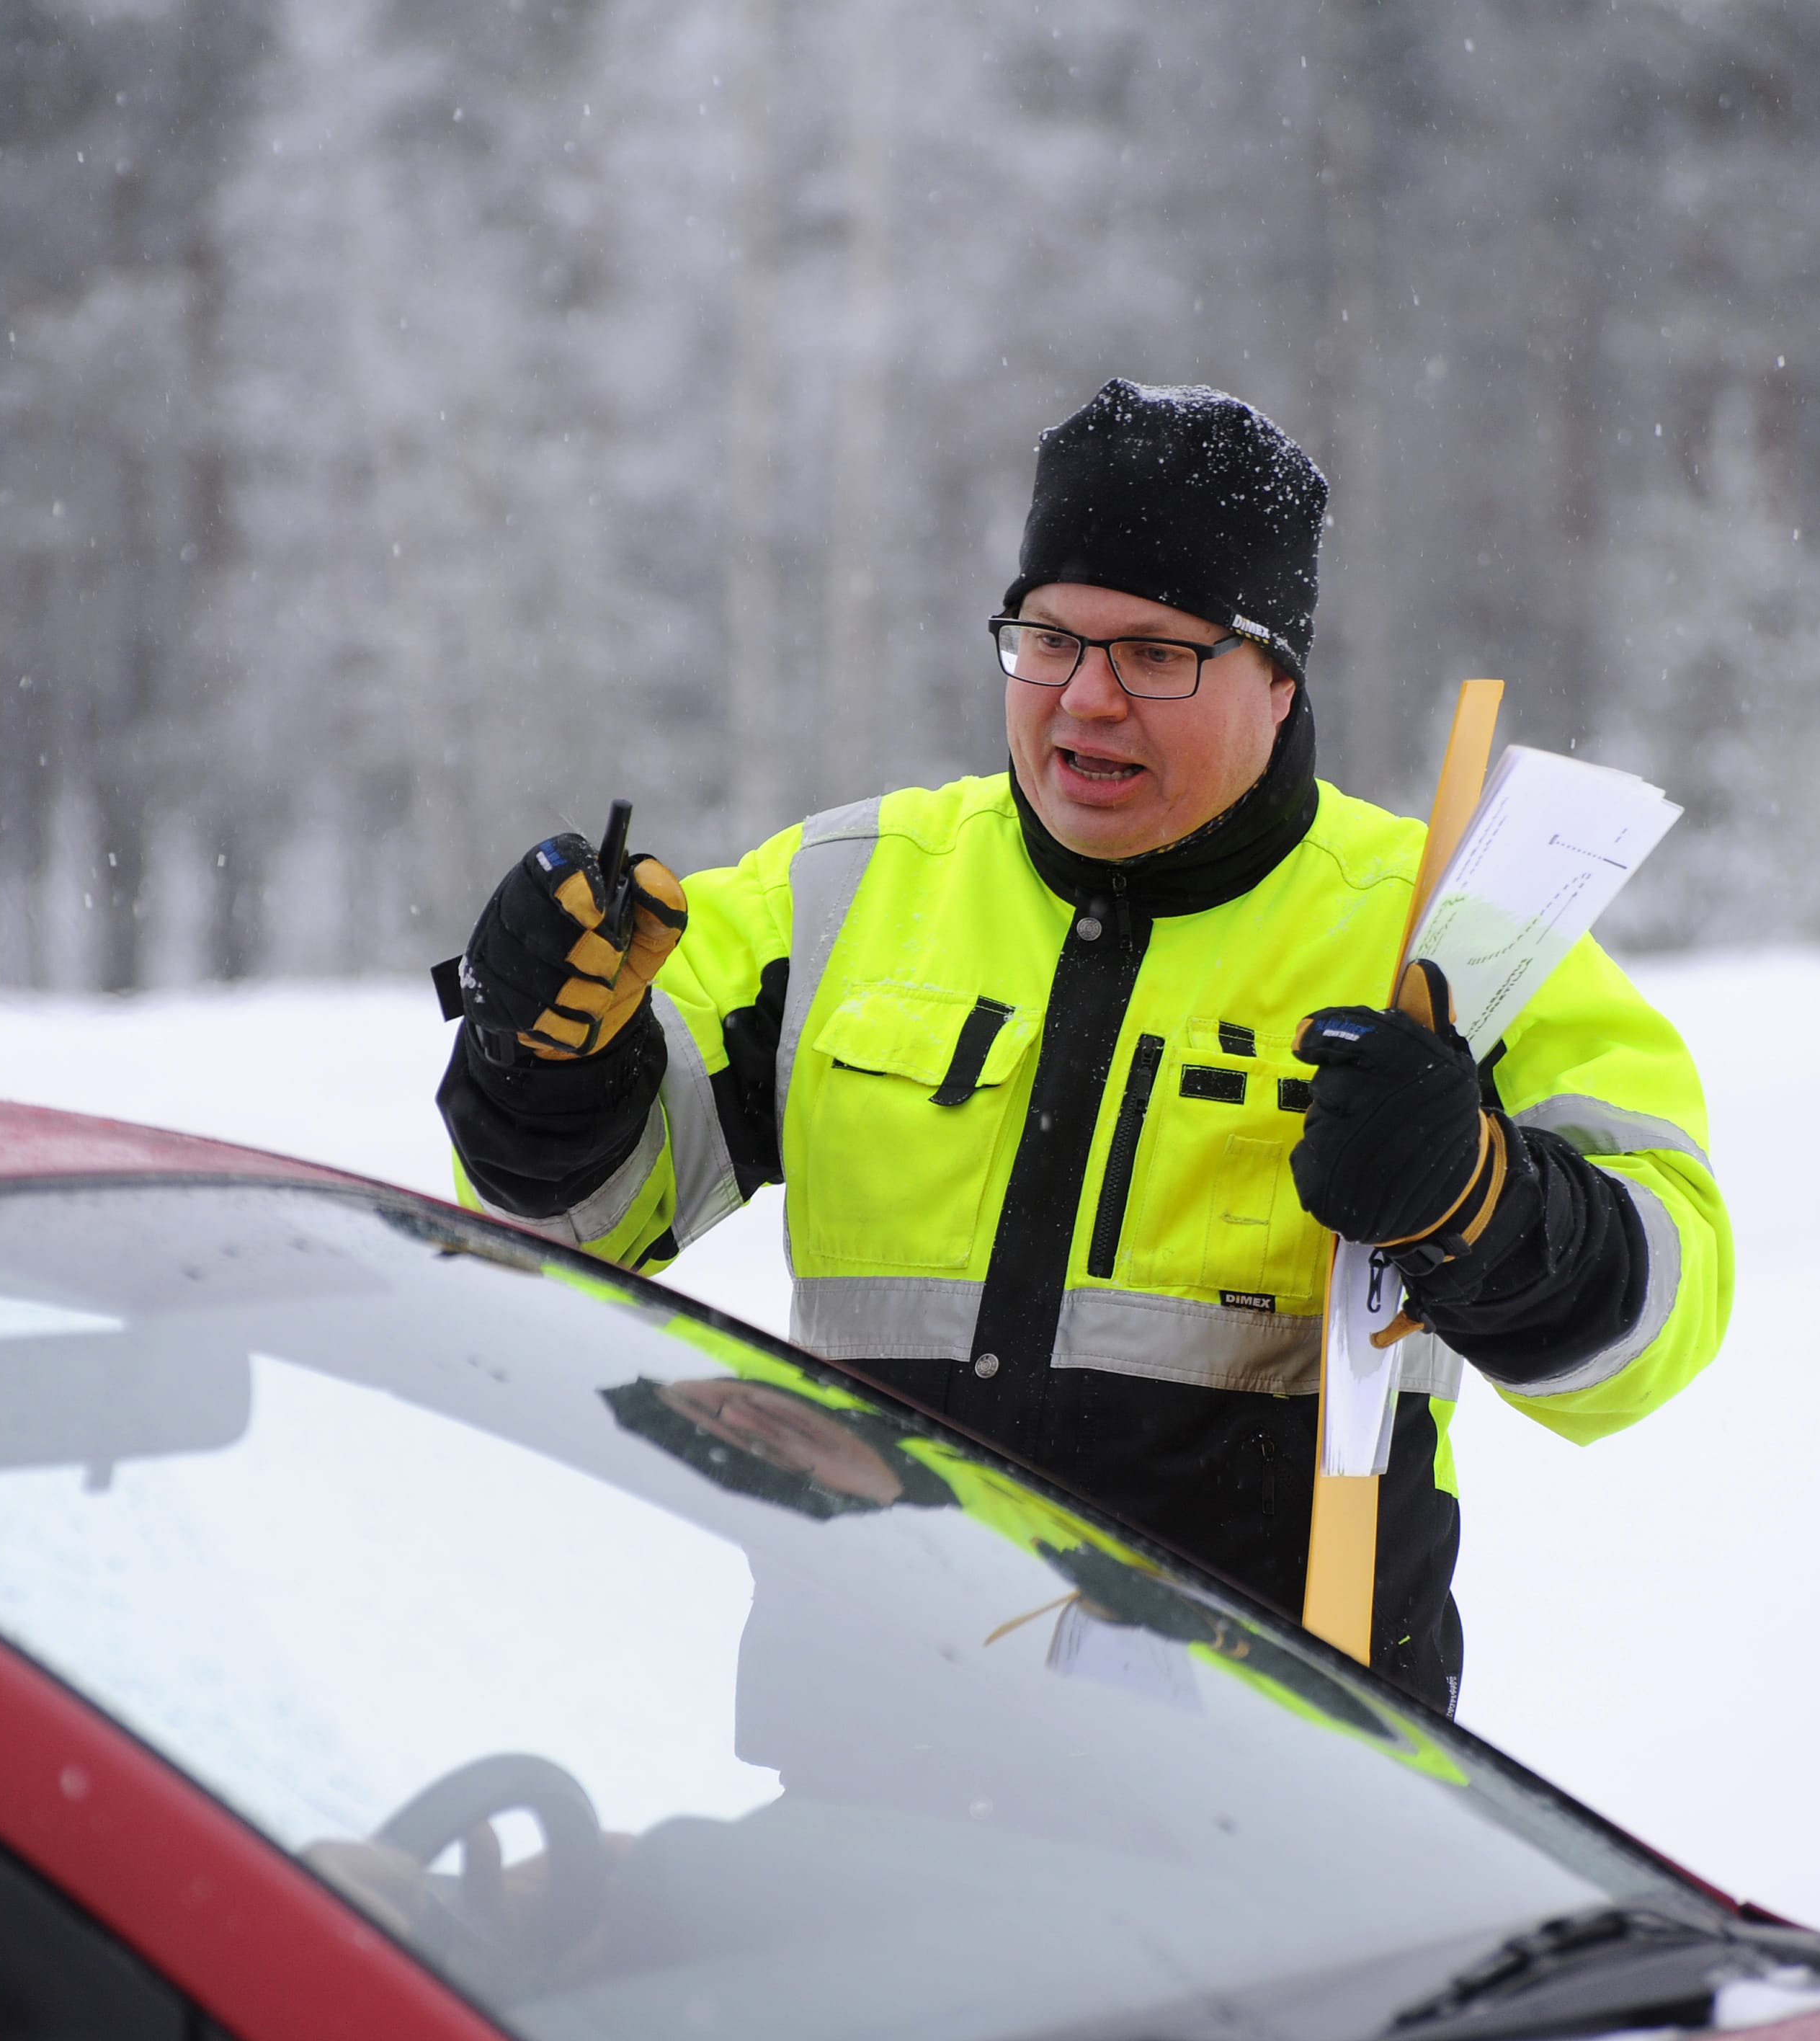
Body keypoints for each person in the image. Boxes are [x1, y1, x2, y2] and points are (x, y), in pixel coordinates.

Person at [437, 378, 1730, 1712]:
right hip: (875, 1754)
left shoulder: (1448, 935)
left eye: (1156, 654)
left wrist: (1476, 1201)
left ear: (1279, 681)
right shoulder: (842, 892)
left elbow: (1656, 1333)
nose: (1085, 700)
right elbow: (577, 1225)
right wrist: (538, 1073)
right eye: (1049, 638)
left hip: (1288, 1797)